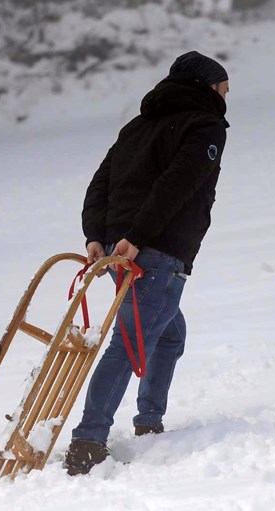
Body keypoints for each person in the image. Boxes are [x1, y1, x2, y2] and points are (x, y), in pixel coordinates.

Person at [63, 50, 230, 476]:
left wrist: (97, 235)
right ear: (207, 88)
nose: (227, 98)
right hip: (154, 251)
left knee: (169, 335)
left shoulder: (136, 127)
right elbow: (178, 185)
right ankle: (88, 441)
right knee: (129, 343)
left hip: (125, 253)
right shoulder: (204, 125)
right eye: (225, 89)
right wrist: (135, 237)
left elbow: (100, 183)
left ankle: (149, 423)